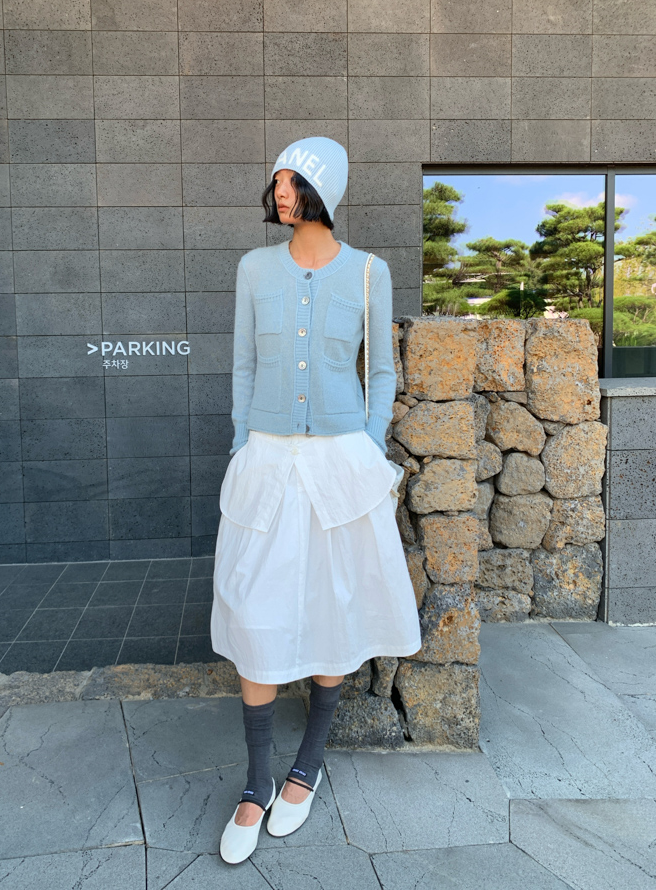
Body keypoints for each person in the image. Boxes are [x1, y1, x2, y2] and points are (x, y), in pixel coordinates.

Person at [211, 135, 422, 864]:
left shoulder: (368, 272)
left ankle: (308, 762)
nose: (280, 192)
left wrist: (368, 443)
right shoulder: (253, 269)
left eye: (292, 180)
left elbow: (382, 372)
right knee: (255, 611)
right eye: (275, 181)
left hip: (341, 462)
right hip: (267, 459)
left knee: (335, 605)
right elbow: (242, 366)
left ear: (321, 188)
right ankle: (257, 781)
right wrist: (242, 444)